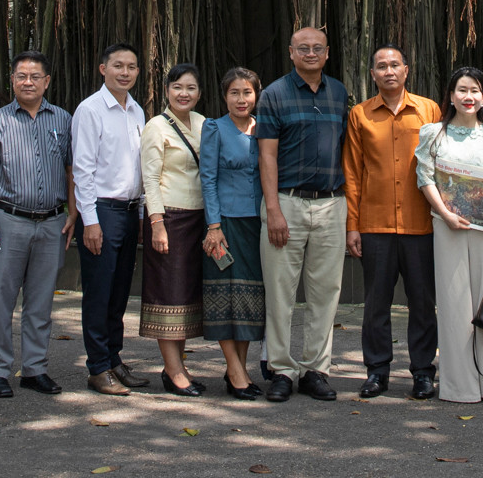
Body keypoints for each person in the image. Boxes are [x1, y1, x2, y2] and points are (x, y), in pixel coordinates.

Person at [256, 26, 351, 403]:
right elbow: (266, 156)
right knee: (280, 292)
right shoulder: (274, 94)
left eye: (317, 48)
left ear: (327, 53)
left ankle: (316, 369)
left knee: (325, 292)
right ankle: (281, 369)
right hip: (287, 203)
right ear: (291, 53)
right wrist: (274, 210)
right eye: (303, 48)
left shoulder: (339, 93)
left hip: (331, 203)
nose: (311, 53)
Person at [342, 45, 442, 401]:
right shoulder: (360, 114)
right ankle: (377, 371)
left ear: (406, 70)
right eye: (381, 66)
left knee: (422, 302)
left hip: (421, 225)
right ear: (372, 74)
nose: (388, 71)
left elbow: (441, 166)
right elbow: (353, 173)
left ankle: (423, 372)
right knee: (376, 303)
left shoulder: (429, 110)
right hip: (375, 224)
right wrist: (352, 225)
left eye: (394, 65)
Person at [0, 49, 75, 399]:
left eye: (35, 76)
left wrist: (73, 213)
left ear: (47, 81)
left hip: (52, 223)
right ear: (12, 80)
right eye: (21, 76)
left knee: (41, 301)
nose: (28, 82)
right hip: (8, 220)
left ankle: (35, 368)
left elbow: (71, 170)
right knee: (1, 300)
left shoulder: (63, 120)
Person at [417, 67, 483, 404]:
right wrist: (445, 213)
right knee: (454, 303)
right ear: (451, 95)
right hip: (448, 228)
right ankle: (459, 385)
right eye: (461, 90)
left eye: (474, 90)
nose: (468, 96)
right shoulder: (434, 134)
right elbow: (424, 178)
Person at [73, 42, 151, 396]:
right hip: (100, 211)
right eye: (118, 65)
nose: (125, 72)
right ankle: (97, 367)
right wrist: (89, 221)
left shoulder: (137, 112)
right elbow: (83, 170)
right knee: (99, 292)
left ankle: (114, 358)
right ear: (102, 69)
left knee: (119, 293)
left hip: (128, 211)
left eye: (131, 66)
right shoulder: (90, 110)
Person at [141, 63, 208, 394]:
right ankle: (173, 371)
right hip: (169, 218)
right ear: (167, 90)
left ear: (199, 93)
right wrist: (157, 224)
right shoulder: (156, 126)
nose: (185, 93)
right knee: (168, 293)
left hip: (199, 220)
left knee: (186, 296)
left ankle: (179, 367)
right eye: (178, 87)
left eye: (191, 88)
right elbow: (150, 178)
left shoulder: (204, 124)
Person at [201, 67, 266, 400]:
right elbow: (207, 179)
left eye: (247, 93)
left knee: (249, 299)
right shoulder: (215, 129)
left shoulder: (264, 128)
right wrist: (214, 226)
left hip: (259, 224)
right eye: (234, 93)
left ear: (257, 94)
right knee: (226, 298)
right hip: (225, 224)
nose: (241, 99)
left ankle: (236, 370)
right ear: (224, 96)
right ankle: (238, 374)